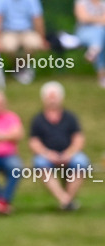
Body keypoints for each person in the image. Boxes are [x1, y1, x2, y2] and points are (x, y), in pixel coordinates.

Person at [29, 81, 90, 210]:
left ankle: (66, 201)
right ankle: (66, 200)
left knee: (81, 162)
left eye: (54, 97)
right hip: (47, 155)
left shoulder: (70, 118)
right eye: (49, 97)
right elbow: (34, 142)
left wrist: (69, 153)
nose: (52, 100)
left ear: (61, 98)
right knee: (41, 164)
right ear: (44, 99)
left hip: (70, 153)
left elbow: (78, 138)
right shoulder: (38, 120)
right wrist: (48, 154)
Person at [0, 0, 47, 85]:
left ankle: (22, 67)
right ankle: (18, 68)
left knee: (34, 43)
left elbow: (38, 19)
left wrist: (42, 38)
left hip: (26, 31)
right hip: (8, 32)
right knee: (10, 47)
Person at [73, 0, 105, 88]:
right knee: (100, 33)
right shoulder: (81, 0)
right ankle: (102, 76)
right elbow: (82, 18)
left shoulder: (103, 2)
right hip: (83, 33)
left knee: (101, 36)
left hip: (101, 34)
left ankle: (94, 49)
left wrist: (92, 19)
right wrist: (99, 20)